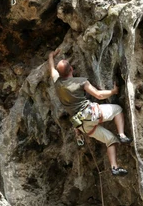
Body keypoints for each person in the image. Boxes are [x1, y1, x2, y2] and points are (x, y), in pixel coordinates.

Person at [48, 48, 131, 176]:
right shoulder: (81, 82)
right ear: (71, 69)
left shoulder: (57, 83)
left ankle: (114, 167)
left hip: (82, 126)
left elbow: (51, 68)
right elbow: (98, 95)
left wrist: (51, 55)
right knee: (118, 110)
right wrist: (113, 92)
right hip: (91, 114)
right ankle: (122, 134)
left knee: (110, 139)